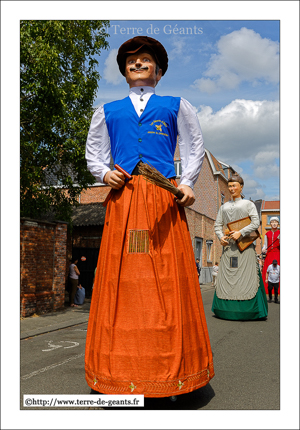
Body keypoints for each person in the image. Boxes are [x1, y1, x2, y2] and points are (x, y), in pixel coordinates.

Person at [85, 36, 214, 398]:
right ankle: (118, 372)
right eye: (131, 60)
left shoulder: (176, 106)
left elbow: (192, 146)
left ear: (158, 71)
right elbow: (95, 153)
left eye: (146, 60)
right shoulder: (107, 111)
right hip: (124, 199)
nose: (138, 64)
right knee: (122, 280)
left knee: (167, 279)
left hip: (162, 199)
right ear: (125, 71)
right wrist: (103, 173)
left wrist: (187, 182)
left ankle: (175, 373)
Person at [211, 174, 268, 320]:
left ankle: (249, 310)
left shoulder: (248, 204)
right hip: (229, 247)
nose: (231, 188)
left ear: (241, 187)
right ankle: (224, 309)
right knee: (228, 275)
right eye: (229, 186)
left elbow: (256, 223)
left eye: (234, 185)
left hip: (245, 246)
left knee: (246, 276)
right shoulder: (224, 207)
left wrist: (241, 232)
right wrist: (220, 237)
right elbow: (217, 225)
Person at [262, 217, 280, 295]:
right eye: (272, 222)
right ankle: (267, 289)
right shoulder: (267, 233)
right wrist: (263, 249)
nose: (274, 223)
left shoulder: (280, 232)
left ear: (278, 223)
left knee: (278, 270)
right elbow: (265, 244)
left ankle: (278, 290)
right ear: (270, 224)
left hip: (278, 254)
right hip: (269, 254)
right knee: (268, 271)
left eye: (275, 221)